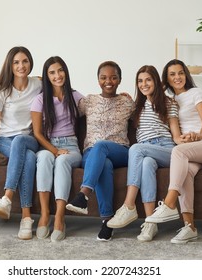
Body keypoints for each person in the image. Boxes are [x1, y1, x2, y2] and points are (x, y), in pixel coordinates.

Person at [145, 59, 202, 243]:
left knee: (179, 152)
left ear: (186, 75)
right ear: (166, 79)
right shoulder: (169, 101)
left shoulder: (195, 93)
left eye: (180, 73)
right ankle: (190, 227)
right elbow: (149, 95)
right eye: (172, 74)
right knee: (186, 173)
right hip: (194, 148)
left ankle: (168, 203)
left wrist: (198, 136)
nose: (177, 77)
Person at [106, 65, 180, 242]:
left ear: (156, 81)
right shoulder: (136, 106)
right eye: (140, 81)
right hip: (147, 153)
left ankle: (128, 205)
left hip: (166, 149)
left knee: (136, 148)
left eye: (148, 80)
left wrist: (191, 142)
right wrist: (122, 97)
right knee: (146, 164)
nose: (144, 84)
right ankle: (150, 223)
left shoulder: (169, 103)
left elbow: (176, 135)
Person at [66, 61, 135, 241]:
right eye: (103, 77)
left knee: (101, 145)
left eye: (113, 77)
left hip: (120, 151)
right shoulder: (88, 101)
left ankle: (83, 194)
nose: (108, 81)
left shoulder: (127, 103)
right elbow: (65, 104)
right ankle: (107, 222)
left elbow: (149, 109)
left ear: (120, 80)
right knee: (103, 161)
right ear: (98, 80)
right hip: (91, 154)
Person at [0, 46, 42, 240]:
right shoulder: (2, 90)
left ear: (30, 63)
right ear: (10, 65)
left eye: (24, 61)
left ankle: (7, 198)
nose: (21, 66)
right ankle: (26, 219)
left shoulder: (37, 85)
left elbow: (62, 87)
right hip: (4, 140)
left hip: (28, 139)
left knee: (22, 141)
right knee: (29, 158)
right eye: (16, 62)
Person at [31, 56, 83, 242]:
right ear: (47, 76)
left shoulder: (75, 96)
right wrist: (54, 150)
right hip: (48, 144)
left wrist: (121, 97)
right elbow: (37, 133)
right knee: (44, 159)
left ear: (66, 72)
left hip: (70, 146)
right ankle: (45, 214)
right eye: (52, 72)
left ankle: (60, 217)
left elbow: (97, 107)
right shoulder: (39, 100)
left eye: (60, 70)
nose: (57, 75)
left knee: (62, 162)